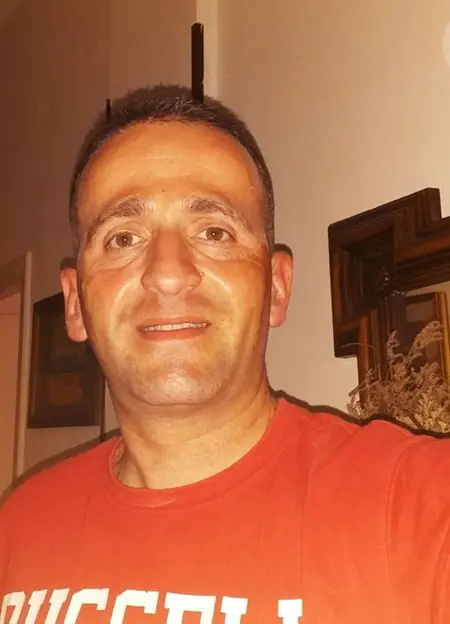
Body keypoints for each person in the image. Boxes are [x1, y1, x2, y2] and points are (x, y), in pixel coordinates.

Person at [0, 85, 449, 624]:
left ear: (276, 288)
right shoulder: (19, 526)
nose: (168, 273)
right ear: (75, 303)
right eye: (122, 238)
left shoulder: (413, 507)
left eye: (214, 232)